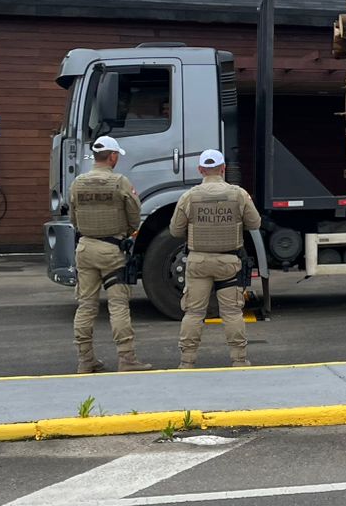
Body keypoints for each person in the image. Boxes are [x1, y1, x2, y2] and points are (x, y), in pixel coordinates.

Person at [67, 135, 154, 373]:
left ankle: (85, 360)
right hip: (111, 250)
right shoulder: (120, 182)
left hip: (84, 248)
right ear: (113, 156)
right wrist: (125, 233)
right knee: (118, 305)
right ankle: (126, 359)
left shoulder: (77, 183)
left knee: (85, 305)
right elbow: (134, 215)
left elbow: (73, 217)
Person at [169, 148, 261, 368]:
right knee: (231, 312)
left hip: (198, 263)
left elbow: (175, 230)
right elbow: (255, 223)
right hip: (229, 263)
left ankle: (187, 361)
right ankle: (239, 360)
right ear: (223, 169)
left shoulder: (189, 196)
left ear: (200, 170)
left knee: (193, 312)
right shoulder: (238, 194)